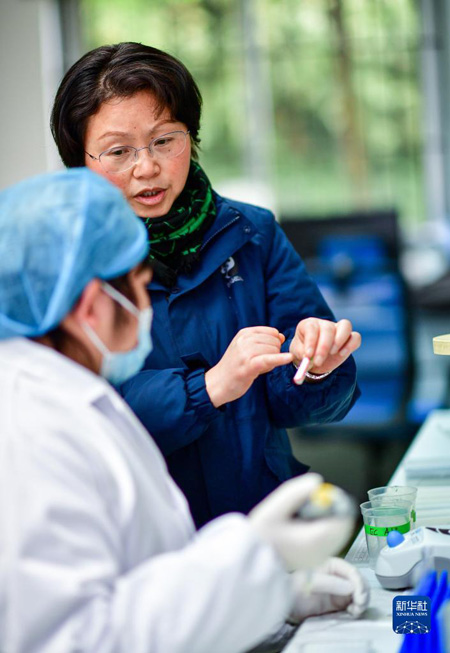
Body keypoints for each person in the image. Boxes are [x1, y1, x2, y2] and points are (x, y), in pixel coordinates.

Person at [0, 169, 369, 653]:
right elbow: (77, 639)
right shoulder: (33, 431)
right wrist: (254, 558)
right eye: (139, 285)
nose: (147, 305)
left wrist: (277, 597)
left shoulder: (72, 397)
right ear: (92, 308)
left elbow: (143, 584)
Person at [51, 42, 362, 528]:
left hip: (263, 524)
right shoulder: (63, 261)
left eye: (164, 140)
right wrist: (210, 387)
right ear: (80, 161)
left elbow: (299, 402)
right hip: (150, 539)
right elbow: (81, 414)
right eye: (118, 151)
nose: (146, 167)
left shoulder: (252, 232)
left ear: (191, 137)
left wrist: (316, 366)